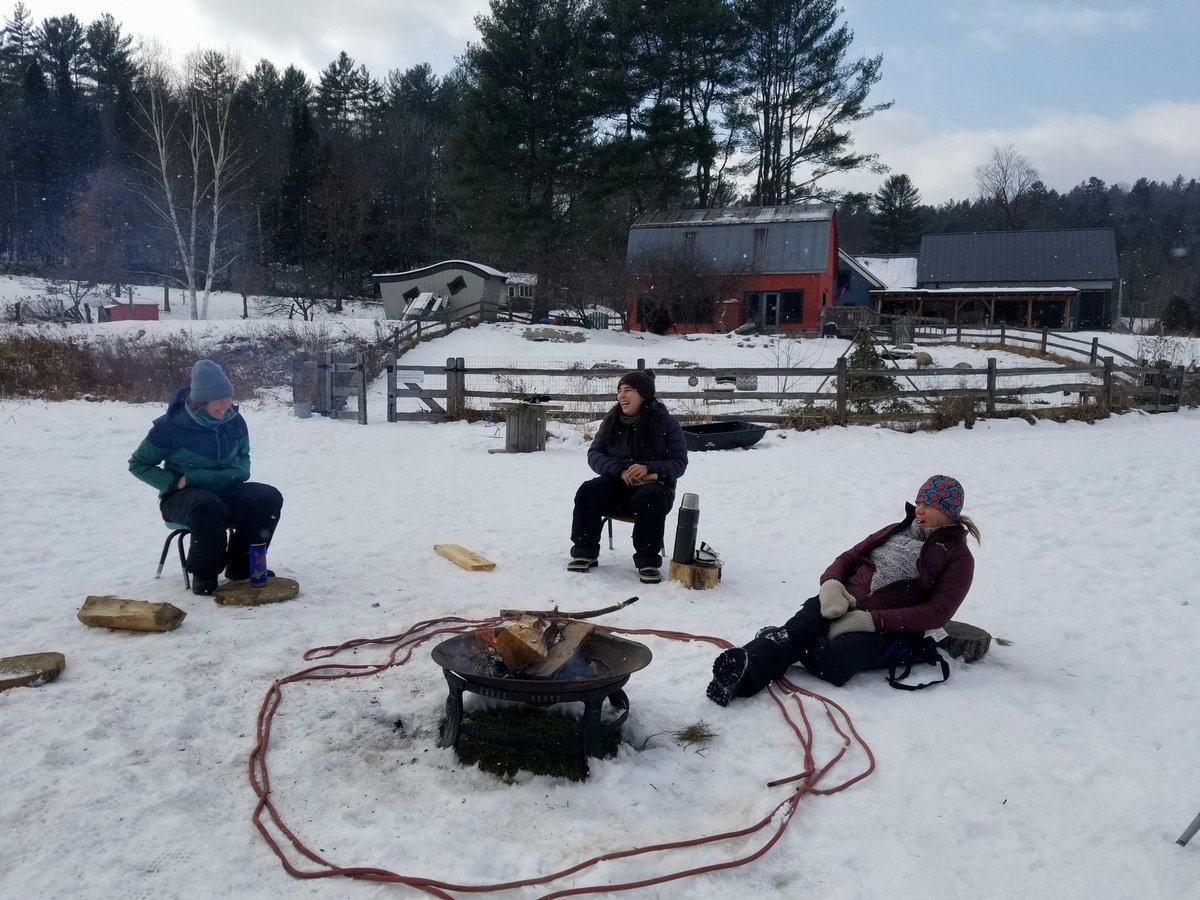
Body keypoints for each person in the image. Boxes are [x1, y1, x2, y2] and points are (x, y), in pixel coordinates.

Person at [707, 475, 979, 704]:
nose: (919, 509)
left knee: (835, 659)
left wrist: (872, 621)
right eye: (919, 501)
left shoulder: (959, 557)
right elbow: (848, 557)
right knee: (798, 631)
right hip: (842, 600)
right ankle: (741, 675)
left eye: (929, 504)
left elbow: (938, 612)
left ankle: (781, 642)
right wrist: (831, 584)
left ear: (949, 512)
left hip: (888, 629)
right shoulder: (895, 530)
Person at [129, 360, 283, 596]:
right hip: (181, 497)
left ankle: (242, 566)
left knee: (267, 497)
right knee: (209, 506)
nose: (226, 406)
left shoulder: (235, 421)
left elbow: (244, 456)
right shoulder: (170, 427)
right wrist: (172, 482)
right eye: (219, 401)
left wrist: (235, 474)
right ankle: (205, 573)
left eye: (228, 398)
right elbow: (138, 464)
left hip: (227, 490)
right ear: (201, 401)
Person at [569, 370, 687, 584]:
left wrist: (649, 468)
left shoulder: (666, 423)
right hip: (617, 486)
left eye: (628, 390)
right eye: (619, 391)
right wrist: (620, 471)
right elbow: (594, 455)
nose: (621, 396)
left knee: (649, 497)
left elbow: (679, 463)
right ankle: (584, 552)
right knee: (589, 490)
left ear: (643, 394)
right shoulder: (611, 420)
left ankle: (648, 561)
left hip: (655, 488)